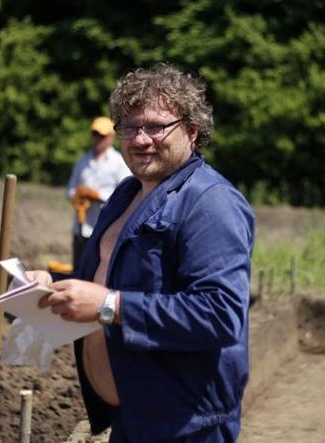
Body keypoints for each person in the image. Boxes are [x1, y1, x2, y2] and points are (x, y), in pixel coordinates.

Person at [28, 63, 255, 442]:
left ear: (193, 131)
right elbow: (106, 280)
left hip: (185, 425)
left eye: (155, 126)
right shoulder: (127, 194)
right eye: (130, 127)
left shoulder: (210, 203)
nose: (140, 139)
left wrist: (109, 306)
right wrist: (53, 285)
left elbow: (221, 314)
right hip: (133, 417)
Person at [66, 116, 131, 268]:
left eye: (102, 136)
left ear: (111, 137)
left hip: (105, 230)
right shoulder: (82, 161)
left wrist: (98, 196)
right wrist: (76, 198)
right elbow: (70, 189)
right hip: (80, 228)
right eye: (95, 134)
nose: (98, 139)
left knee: (99, 273)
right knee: (79, 270)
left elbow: (126, 194)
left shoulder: (119, 163)